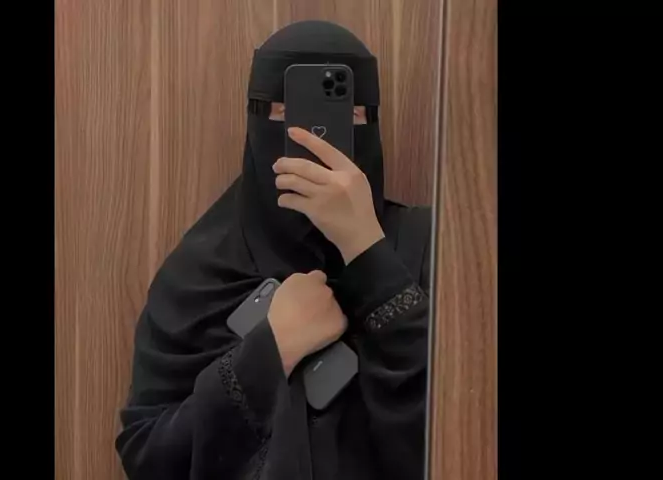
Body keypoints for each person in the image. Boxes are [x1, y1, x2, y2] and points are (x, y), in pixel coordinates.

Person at [115, 20, 433, 480]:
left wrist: (368, 252)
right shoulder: (202, 273)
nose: (316, 140)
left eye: (350, 114)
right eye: (286, 114)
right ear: (255, 122)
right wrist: (270, 352)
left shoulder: (427, 249)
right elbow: (149, 459)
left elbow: (463, 430)